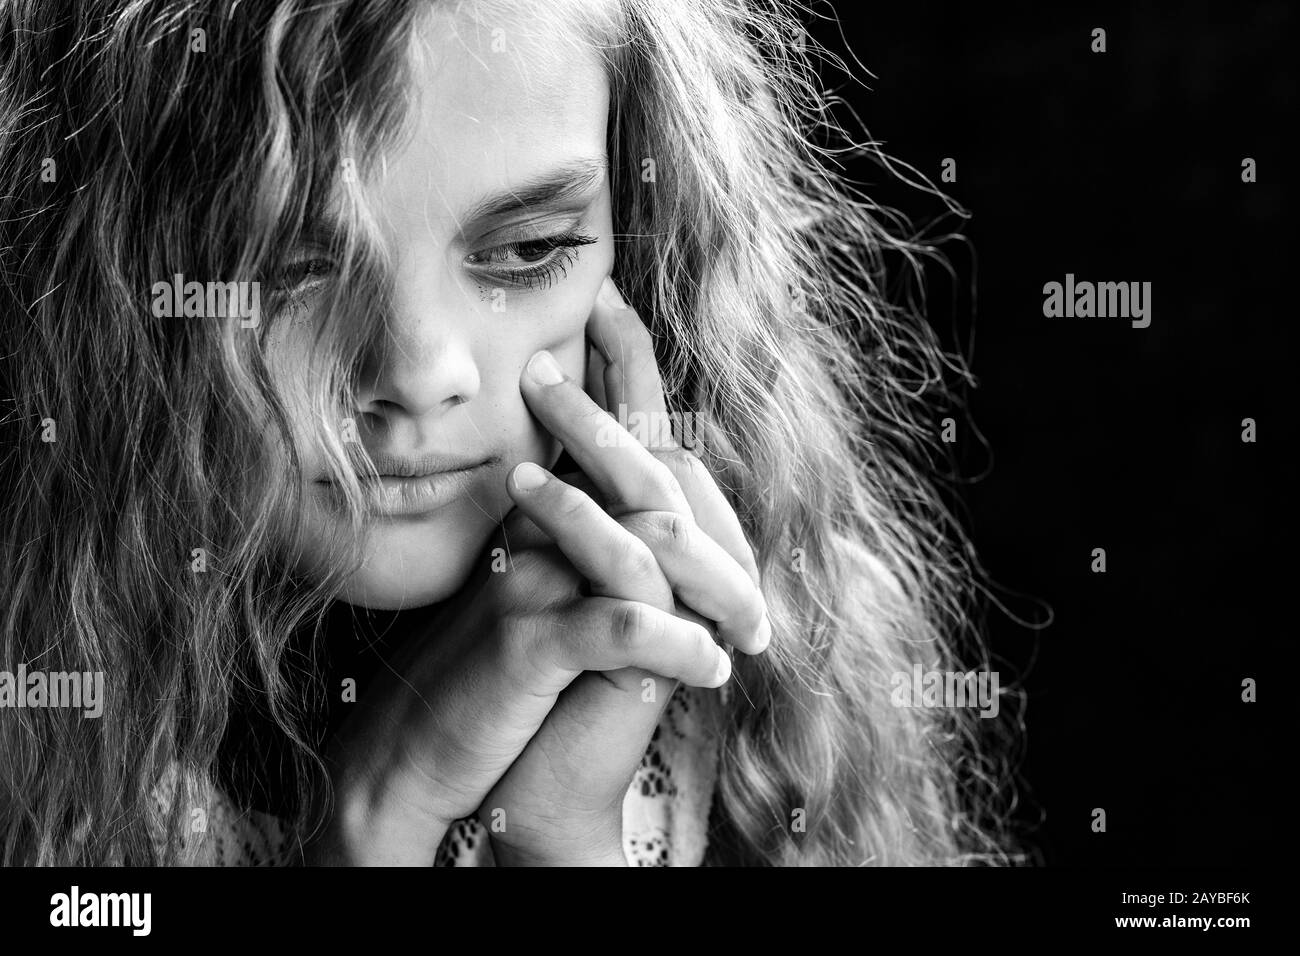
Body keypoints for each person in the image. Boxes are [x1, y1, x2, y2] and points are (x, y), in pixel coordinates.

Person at [0, 0, 1014, 866]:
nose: (418, 372)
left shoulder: (747, 680)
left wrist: (561, 832)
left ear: (642, 252)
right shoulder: (40, 712)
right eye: (289, 268)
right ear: (117, 294)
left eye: (527, 250)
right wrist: (377, 823)